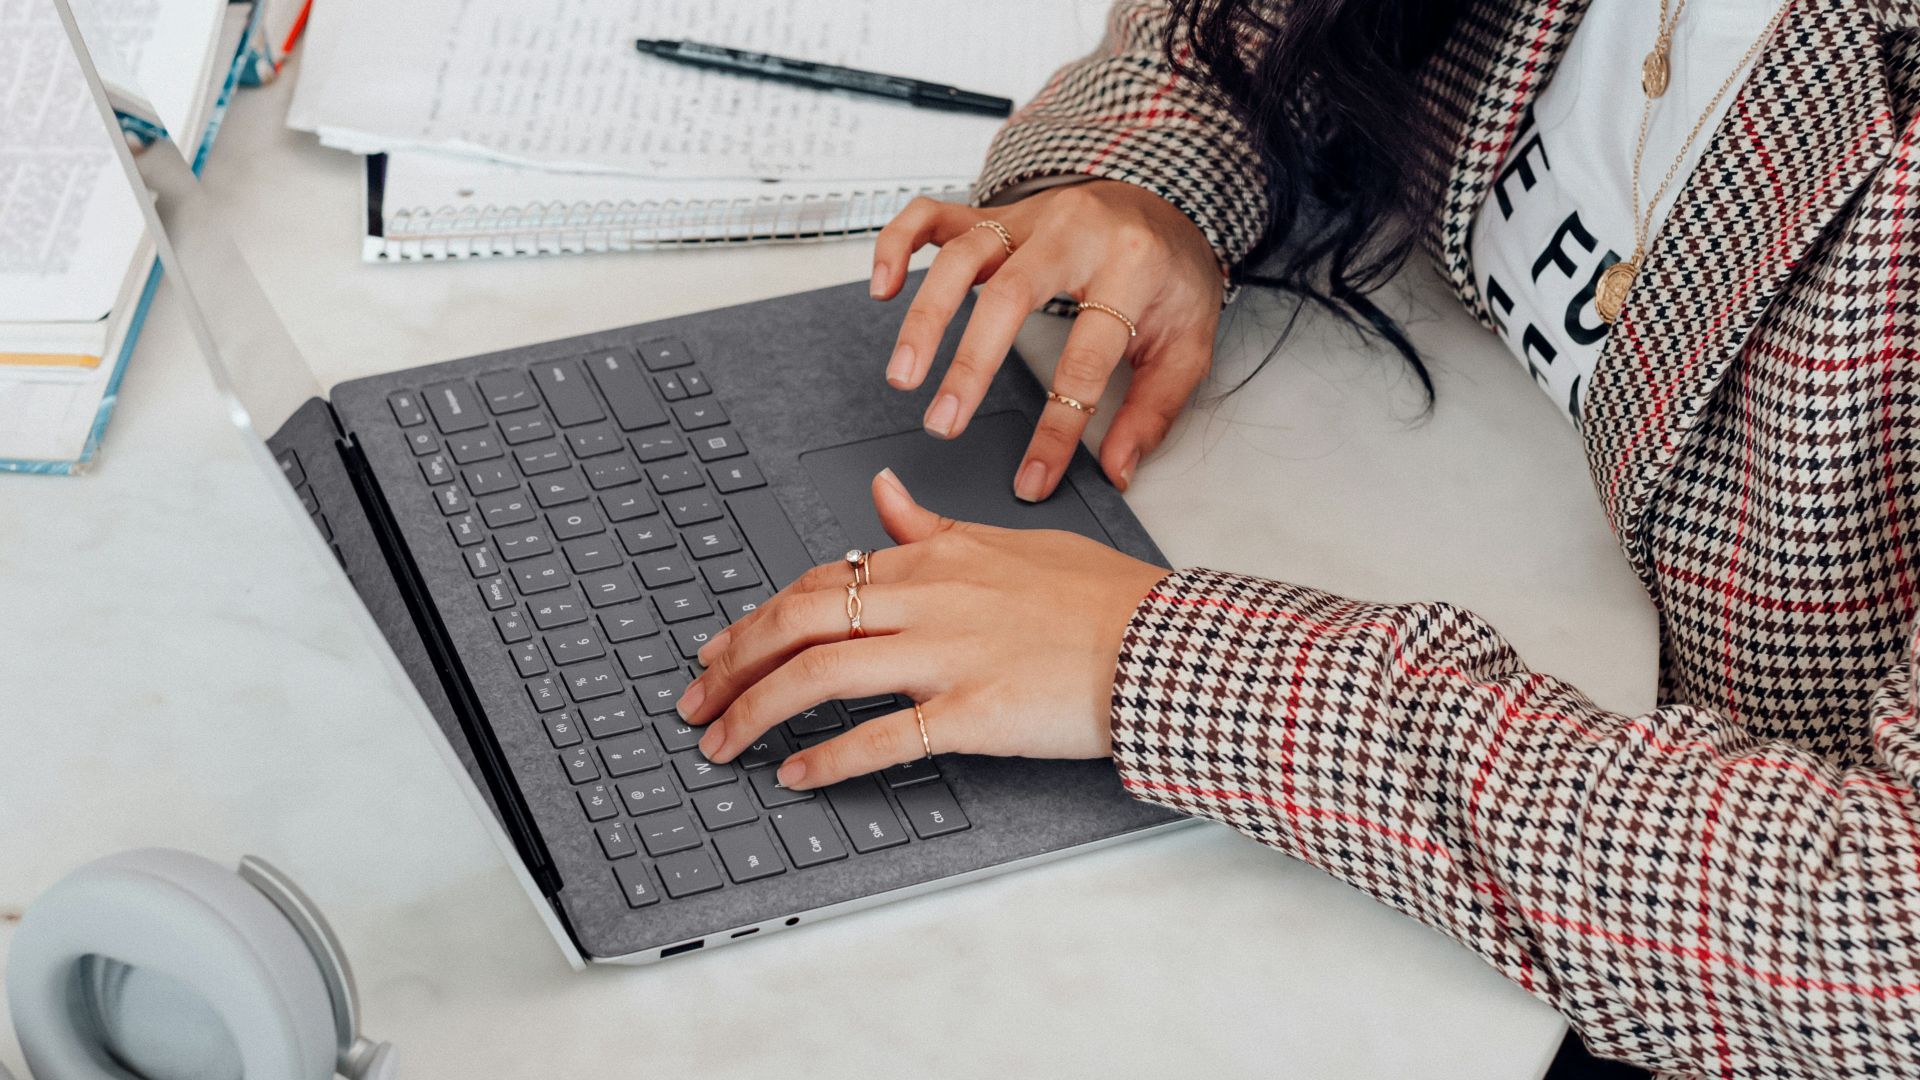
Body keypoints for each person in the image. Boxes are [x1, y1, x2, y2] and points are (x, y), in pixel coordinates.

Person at [677, 0, 1920, 1076]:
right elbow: (1251, 30)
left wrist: (1159, 663)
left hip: (1685, 936)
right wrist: (1147, 190)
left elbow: (1885, 944)